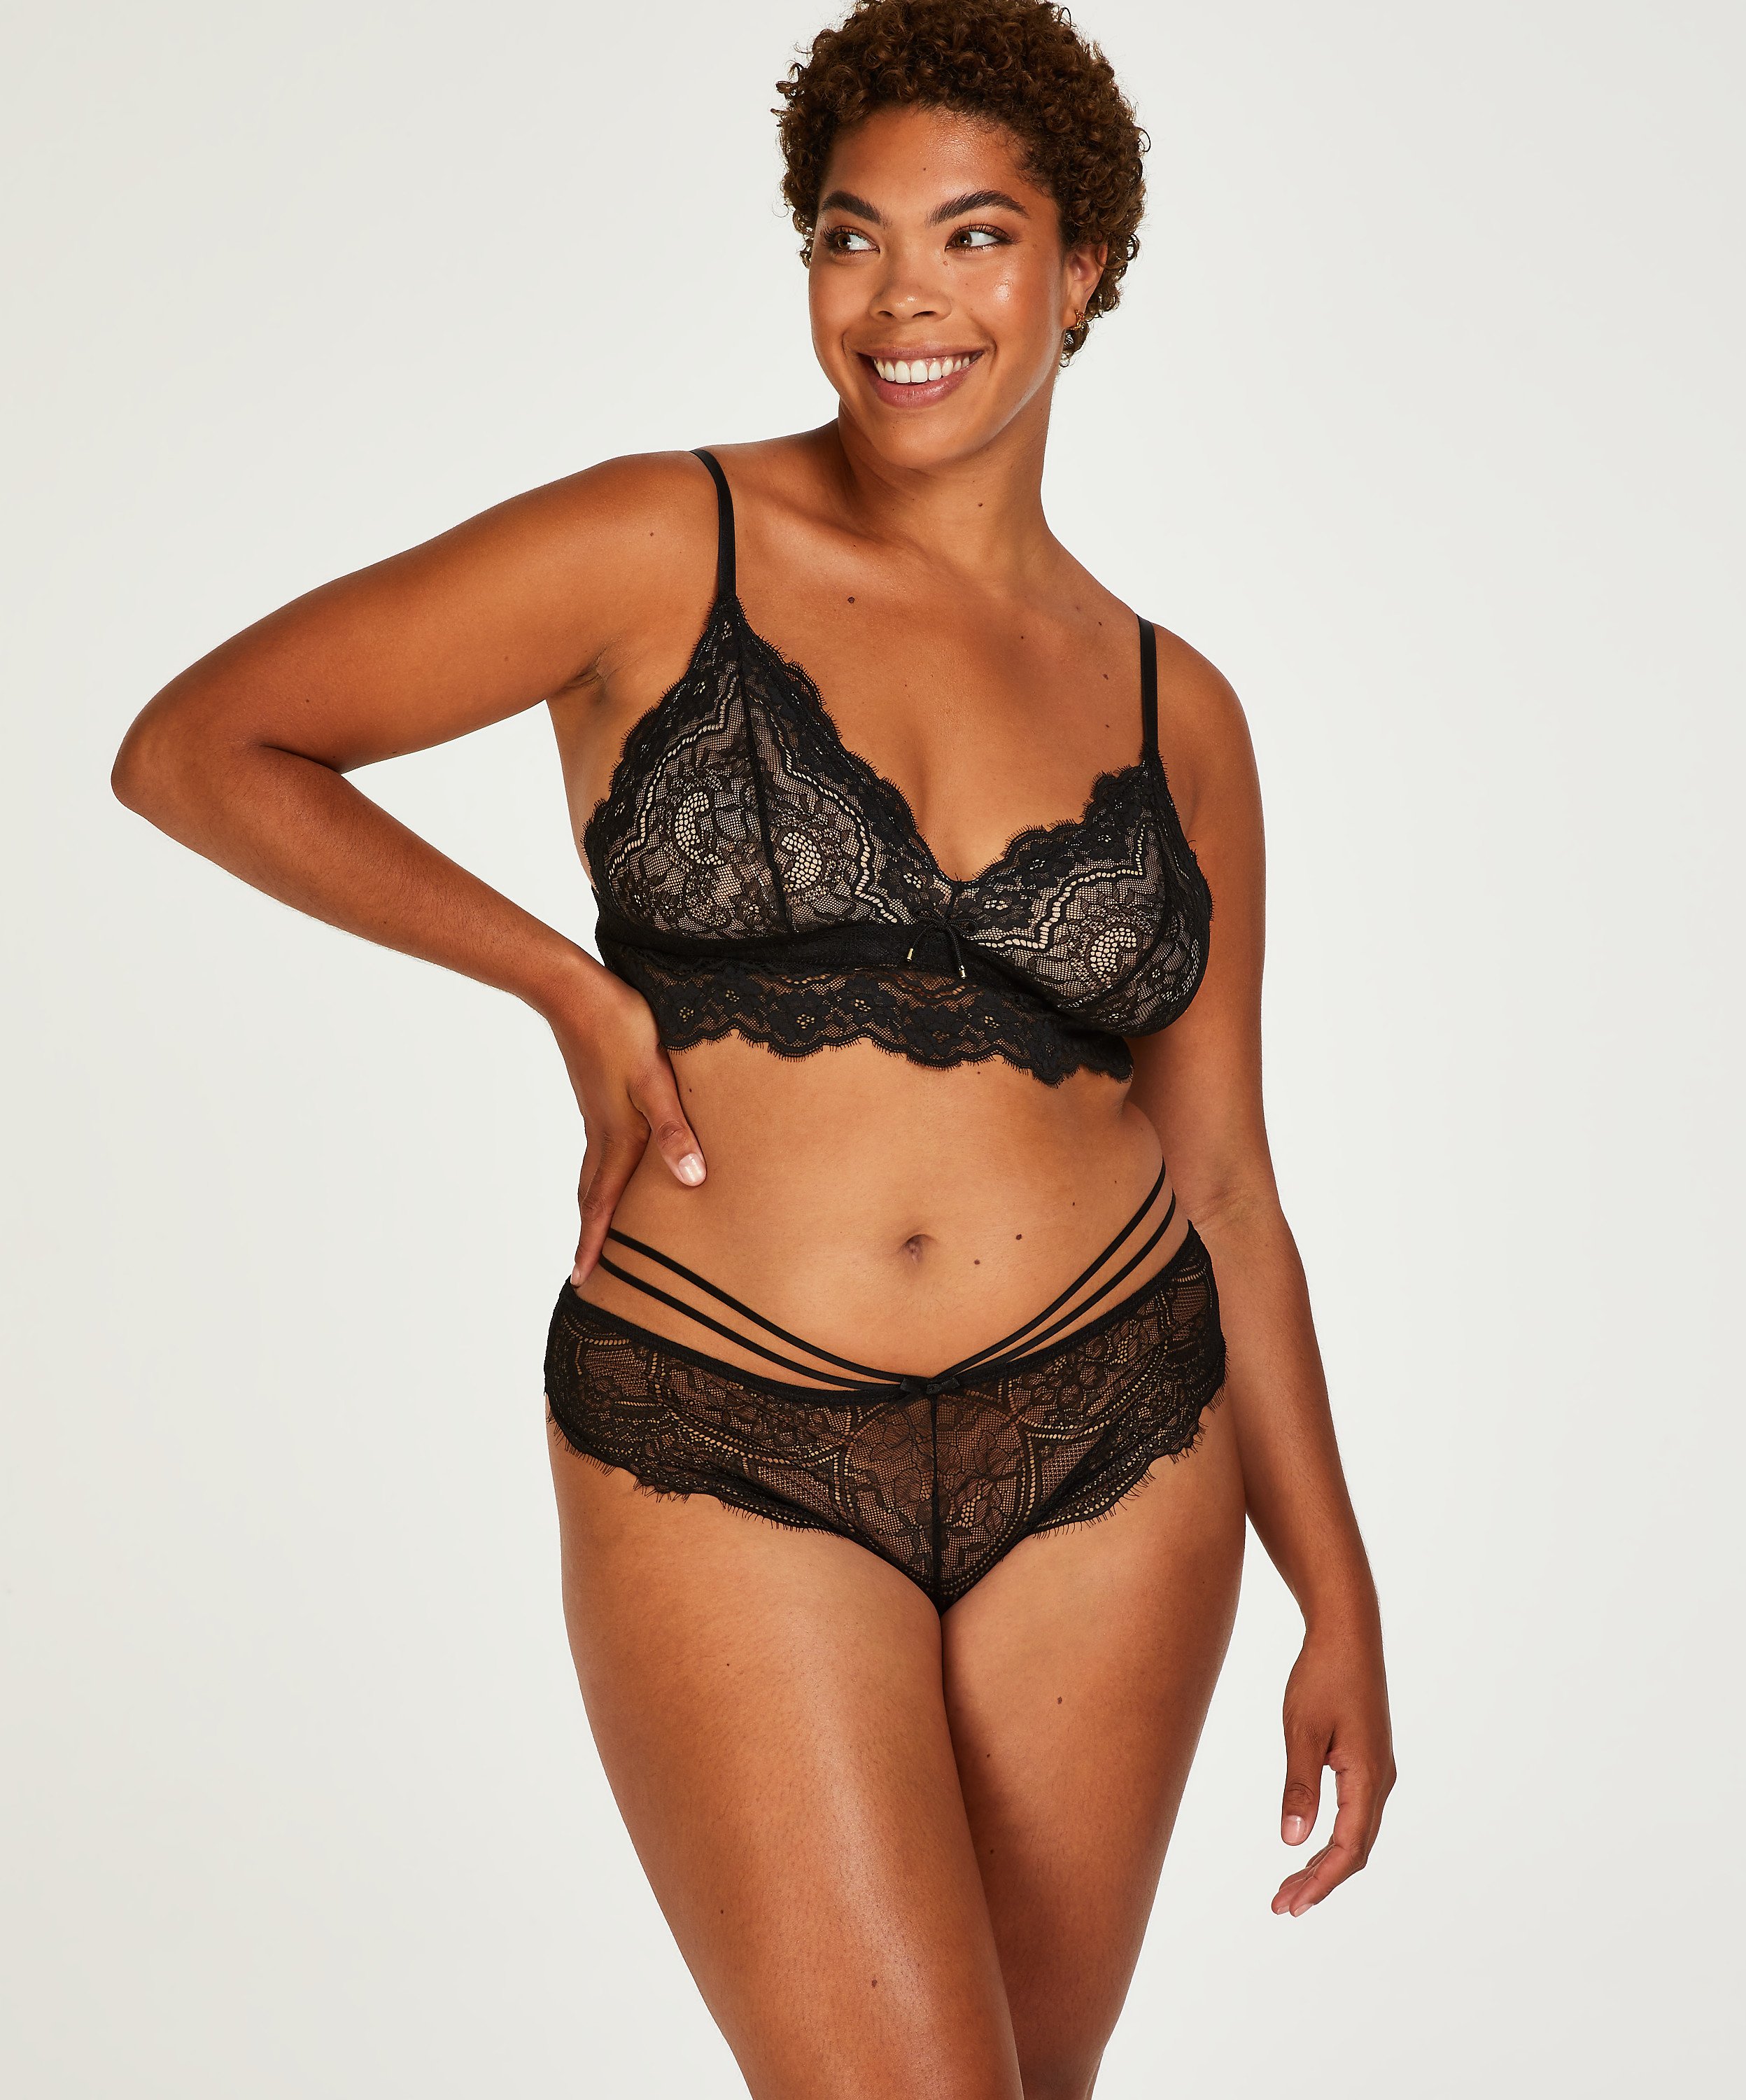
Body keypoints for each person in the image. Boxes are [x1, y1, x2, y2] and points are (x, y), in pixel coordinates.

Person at [111, 1, 1394, 2092]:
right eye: (848, 235)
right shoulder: (663, 542)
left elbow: (1230, 1182)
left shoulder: (1182, 709)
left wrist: (1334, 1591)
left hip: (1121, 1441)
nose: (900, 298)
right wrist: (565, 983)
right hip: (720, 1423)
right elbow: (200, 747)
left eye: (975, 237)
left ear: (1082, 270)